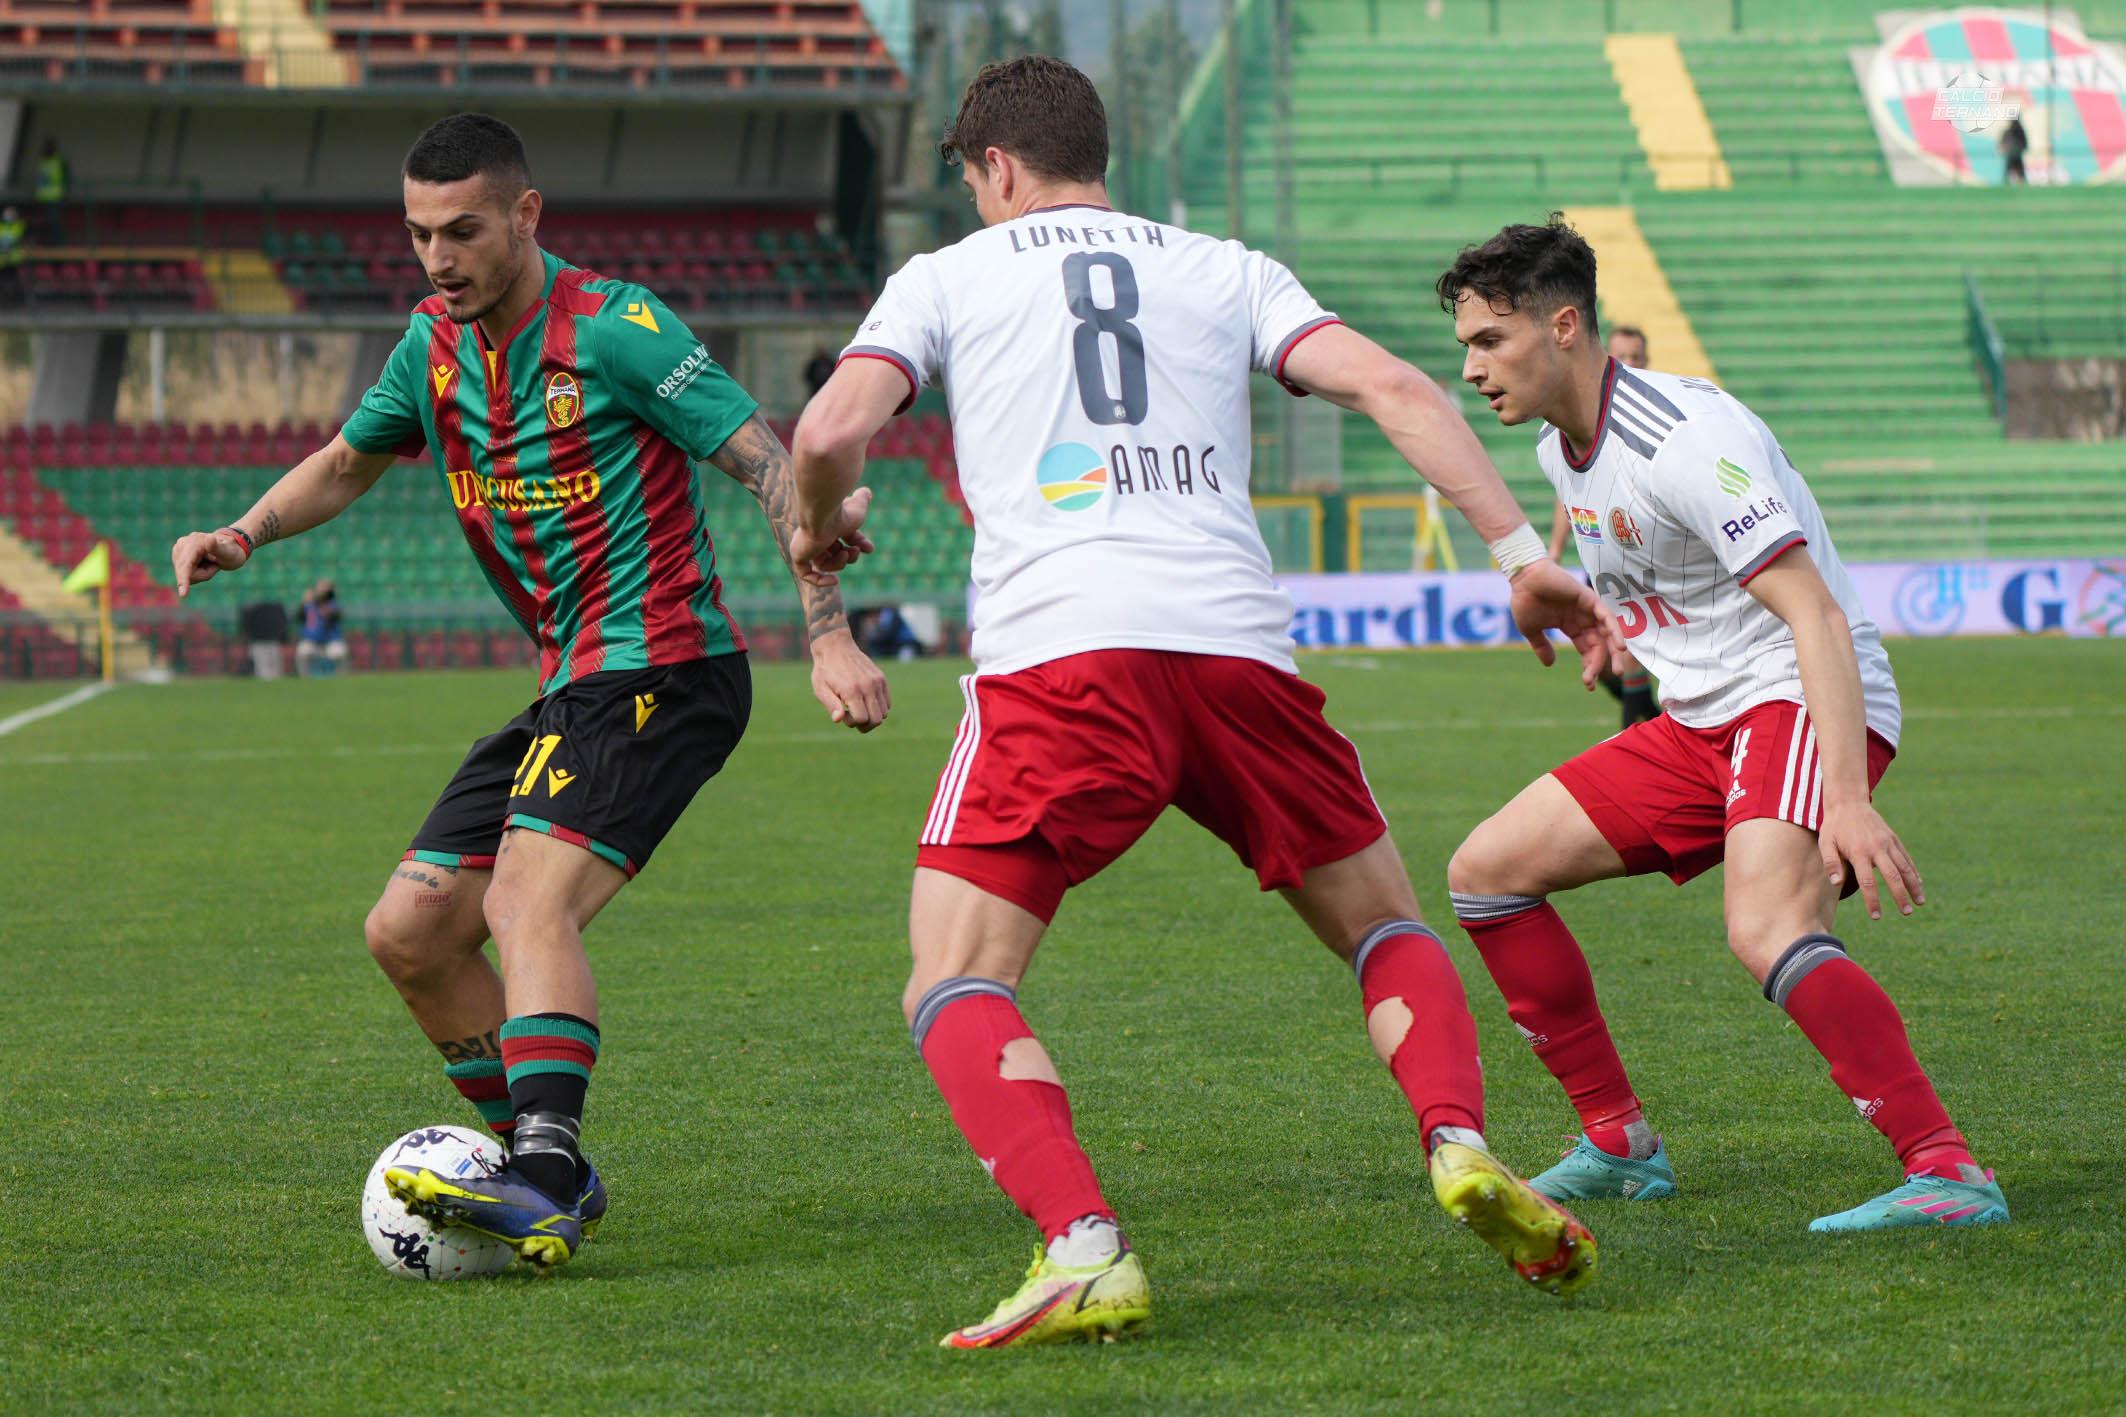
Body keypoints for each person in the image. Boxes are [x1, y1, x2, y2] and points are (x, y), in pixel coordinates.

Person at [790, 57, 1618, 1348]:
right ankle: (1457, 1139)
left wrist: (822, 523)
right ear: (1097, 155)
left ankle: (1082, 1246)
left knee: (950, 977)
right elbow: (1398, 389)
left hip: (1064, 661)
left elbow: (829, 427)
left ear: (993, 168)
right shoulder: (1223, 267)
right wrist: (1520, 557)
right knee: (1381, 924)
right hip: (1237, 654)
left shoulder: (946, 278)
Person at [168, 113, 888, 1269]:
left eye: (461, 230)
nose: (437, 258)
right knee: (410, 933)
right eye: (419, 234)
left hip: (662, 668)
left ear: (525, 214)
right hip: (568, 685)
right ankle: (539, 1163)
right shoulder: (430, 346)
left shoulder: (617, 329)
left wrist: (829, 636)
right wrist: (242, 532)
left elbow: (768, 467)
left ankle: (543, 1178)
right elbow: (347, 462)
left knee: (521, 904)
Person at [1438, 215, 2007, 1233]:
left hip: (1798, 694)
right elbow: (1669, 580)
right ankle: (1619, 1144)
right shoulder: (1560, 447)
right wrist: (1603, 621)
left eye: (1489, 340)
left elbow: (1813, 614)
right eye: (1465, 346)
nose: (1471, 368)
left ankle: (1947, 1168)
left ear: (1562, 325)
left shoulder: (1686, 439)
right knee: (1486, 873)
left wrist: (1845, 797)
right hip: (1703, 721)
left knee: (1768, 928)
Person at [1548, 323, 1656, 728]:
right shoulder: (1588, 416)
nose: (1630, 363)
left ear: (1647, 361)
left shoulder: (1656, 418)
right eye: (1622, 356)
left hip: (1644, 550)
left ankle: (1637, 728)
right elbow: (1570, 490)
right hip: (1600, 552)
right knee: (1606, 658)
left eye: (1636, 357)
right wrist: (1555, 549)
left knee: (1626, 642)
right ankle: (1648, 715)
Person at [296, 577, 347, 676]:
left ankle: (341, 678)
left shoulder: (333, 604)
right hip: (312, 642)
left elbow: (336, 616)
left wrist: (326, 608)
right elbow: (298, 616)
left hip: (330, 641)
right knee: (303, 651)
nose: (322, 590)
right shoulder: (309, 604)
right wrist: (304, 602)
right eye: (320, 587)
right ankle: (305, 678)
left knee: (340, 652)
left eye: (325, 587)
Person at [33, 138, 68, 243]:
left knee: (54, 221)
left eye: (49, 147)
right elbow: (39, 178)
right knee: (44, 222)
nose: (46, 149)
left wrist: (65, 193)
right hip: (42, 197)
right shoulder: (42, 161)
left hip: (55, 197)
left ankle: (58, 244)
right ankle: (45, 243)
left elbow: (67, 178)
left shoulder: (60, 161)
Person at [0, 205, 24, 308]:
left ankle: (13, 300)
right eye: (7, 213)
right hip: (2, 260)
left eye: (11, 213)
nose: (8, 216)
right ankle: (4, 300)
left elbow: (22, 241)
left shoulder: (19, 226)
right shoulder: (0, 226)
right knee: (2, 281)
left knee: (13, 280)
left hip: (14, 259)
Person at [1999, 116, 2029, 185]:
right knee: (2011, 173)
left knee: (2019, 173)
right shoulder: (2010, 131)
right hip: (2012, 155)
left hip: (2015, 155)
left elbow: (2024, 143)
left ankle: (2009, 184)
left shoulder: (2018, 131)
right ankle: (2007, 185)